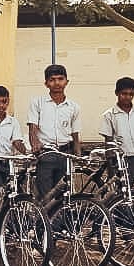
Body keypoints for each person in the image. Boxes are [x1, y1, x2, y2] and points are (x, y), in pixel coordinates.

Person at [27, 64, 81, 198]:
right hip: (46, 154)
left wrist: (78, 152)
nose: (57, 83)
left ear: (66, 82)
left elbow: (75, 133)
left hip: (65, 153)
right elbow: (32, 127)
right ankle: (45, 219)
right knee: (46, 195)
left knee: (63, 195)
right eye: (52, 79)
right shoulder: (37, 103)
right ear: (46, 83)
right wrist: (35, 144)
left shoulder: (73, 107)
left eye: (60, 79)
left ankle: (61, 219)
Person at [100, 76, 134, 184]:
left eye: (131, 94)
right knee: (125, 192)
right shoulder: (109, 115)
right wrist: (111, 166)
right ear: (117, 93)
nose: (127, 97)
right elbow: (109, 141)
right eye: (124, 94)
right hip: (123, 159)